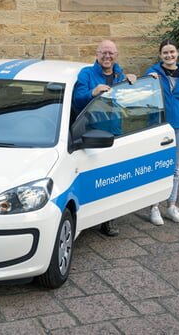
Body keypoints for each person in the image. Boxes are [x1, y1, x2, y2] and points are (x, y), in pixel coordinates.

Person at [72, 39, 137, 237]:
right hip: (91, 131)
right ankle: (88, 215)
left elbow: (129, 99)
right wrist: (93, 92)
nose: (107, 56)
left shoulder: (120, 74)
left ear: (116, 55)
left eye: (111, 53)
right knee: (92, 175)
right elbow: (76, 98)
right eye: (103, 52)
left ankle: (109, 219)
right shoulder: (87, 74)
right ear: (97, 54)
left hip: (114, 131)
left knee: (112, 177)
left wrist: (133, 81)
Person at [145, 39, 179, 225]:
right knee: (157, 167)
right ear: (160, 55)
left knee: (175, 169)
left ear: (178, 53)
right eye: (165, 53)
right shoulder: (153, 74)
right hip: (159, 127)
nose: (169, 55)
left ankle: (171, 206)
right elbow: (145, 98)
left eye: (172, 52)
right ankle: (154, 207)